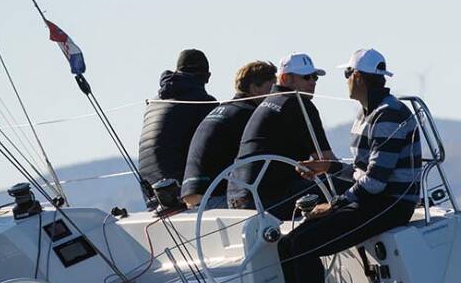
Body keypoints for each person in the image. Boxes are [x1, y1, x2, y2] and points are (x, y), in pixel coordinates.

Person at [271, 48, 422, 283]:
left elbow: (375, 183)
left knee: (304, 245)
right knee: (287, 244)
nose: (345, 81)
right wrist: (328, 168)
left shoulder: (388, 115)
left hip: (390, 205)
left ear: (359, 77)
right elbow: (360, 172)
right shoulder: (368, 113)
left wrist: (335, 204)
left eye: (346, 74)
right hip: (370, 200)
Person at [227, 52, 334, 218]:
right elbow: (327, 161)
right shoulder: (300, 104)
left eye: (315, 77)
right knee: (347, 188)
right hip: (269, 200)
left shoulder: (267, 103)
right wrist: (358, 175)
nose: (312, 82)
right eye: (306, 77)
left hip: (238, 198)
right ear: (285, 78)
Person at [181, 60, 275, 207]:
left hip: (191, 199)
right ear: (254, 88)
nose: (275, 95)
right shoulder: (250, 115)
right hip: (216, 199)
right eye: (272, 88)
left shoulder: (221, 110)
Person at [138, 49, 217, 195]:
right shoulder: (202, 101)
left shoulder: (154, 102)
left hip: (151, 191)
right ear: (206, 76)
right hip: (179, 188)